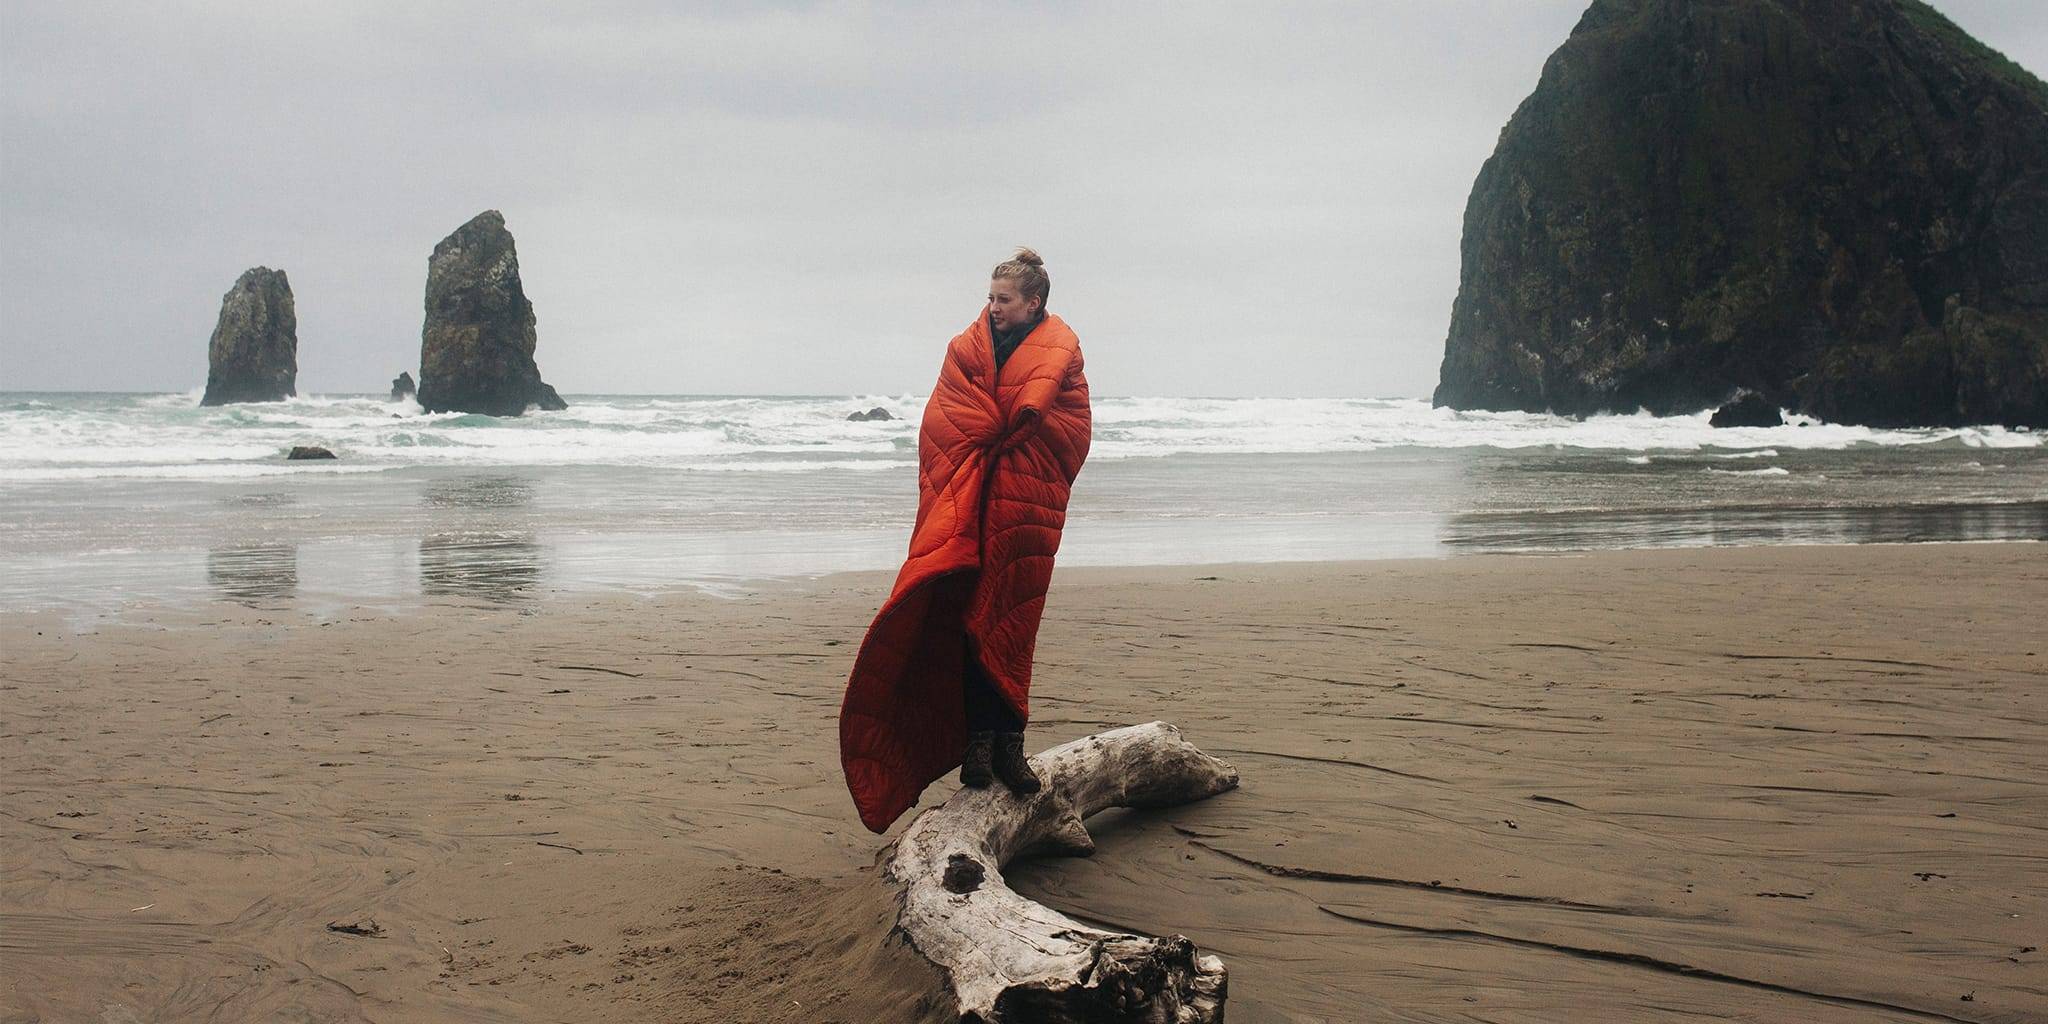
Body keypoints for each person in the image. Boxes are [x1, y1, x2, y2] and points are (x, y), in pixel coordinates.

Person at [838, 248, 1093, 833]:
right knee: (969, 615)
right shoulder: (965, 349)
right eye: (991, 297)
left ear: (1034, 304)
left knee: (1013, 620)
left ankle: (1011, 745)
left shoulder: (1063, 351)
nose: (993, 307)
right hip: (974, 502)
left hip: (1027, 504)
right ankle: (979, 746)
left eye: (1004, 299)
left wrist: (1014, 428)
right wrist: (1000, 425)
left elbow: (1072, 428)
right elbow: (942, 421)